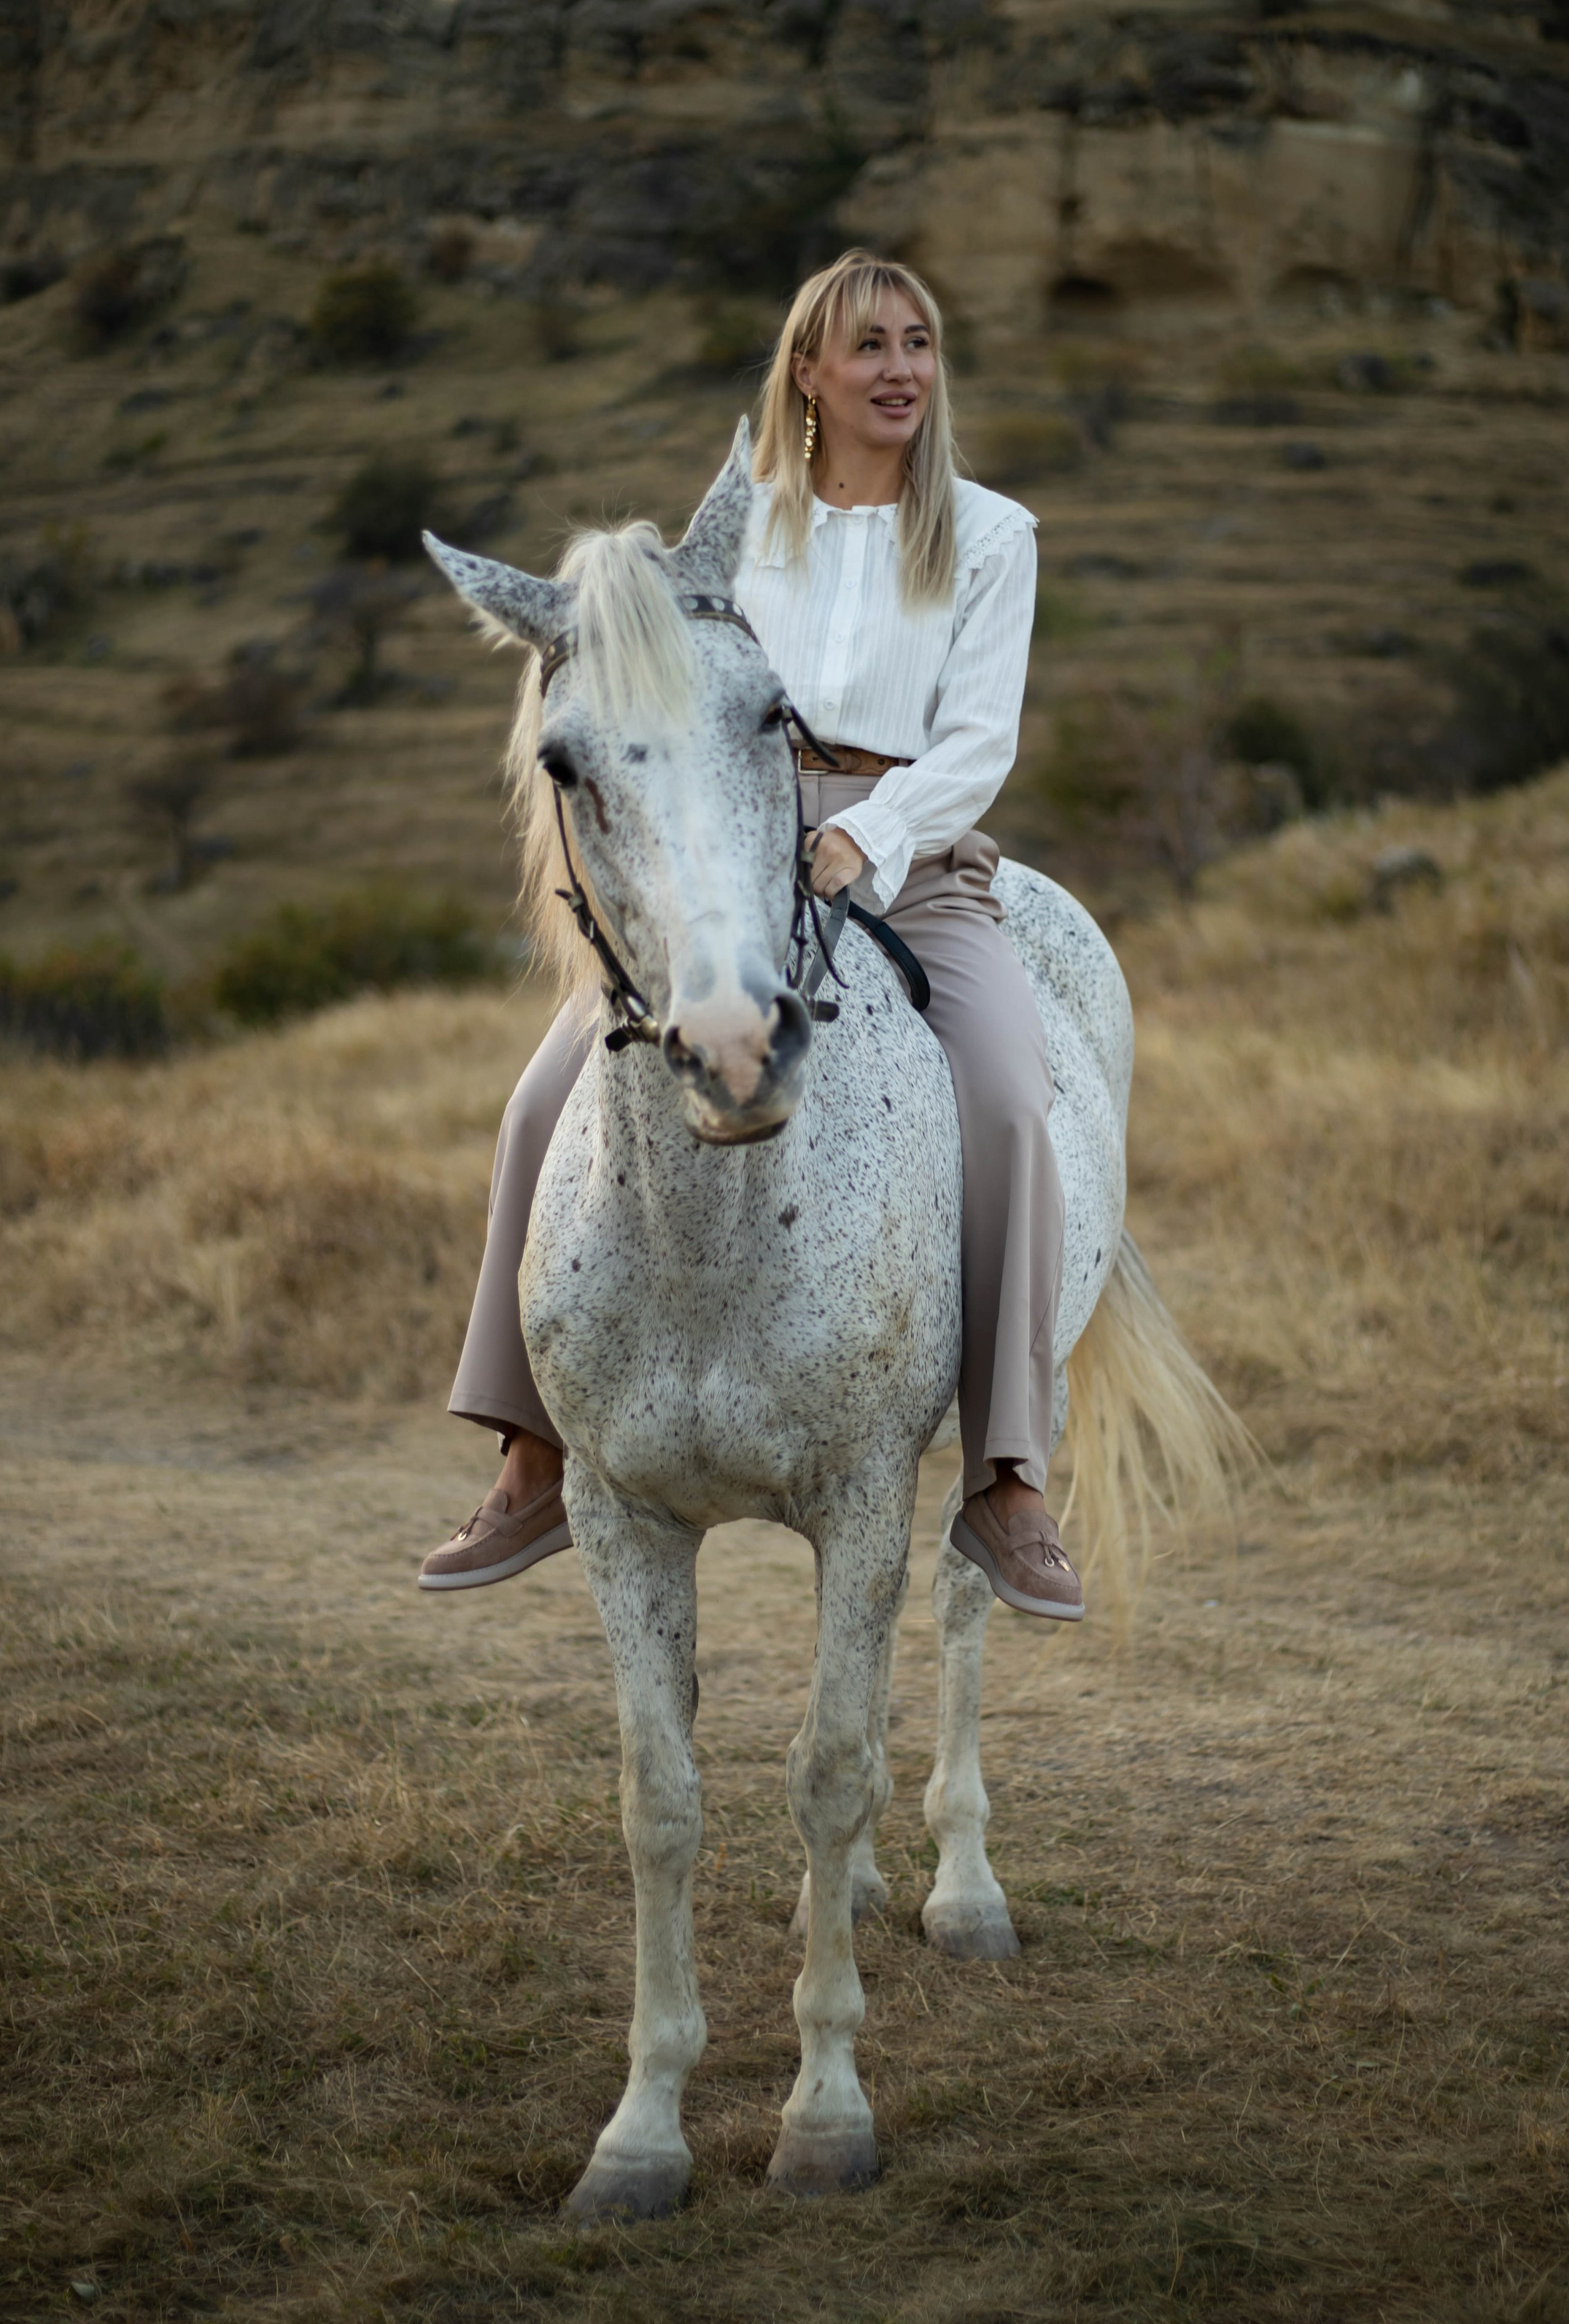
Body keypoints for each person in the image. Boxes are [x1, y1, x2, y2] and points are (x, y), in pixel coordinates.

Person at [417, 249, 1082, 1619]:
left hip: (917, 859)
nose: (901, 368)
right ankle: (533, 1450)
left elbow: (979, 743)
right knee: (541, 1102)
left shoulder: (991, 534)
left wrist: (867, 838)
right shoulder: (740, 531)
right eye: (870, 345)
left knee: (1014, 1101)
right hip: (743, 851)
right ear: (809, 373)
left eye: (919, 342)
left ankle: (1007, 1477)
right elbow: (673, 697)